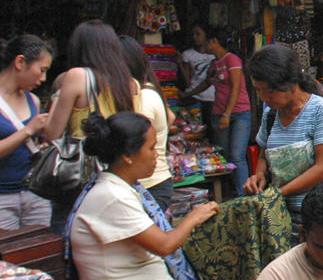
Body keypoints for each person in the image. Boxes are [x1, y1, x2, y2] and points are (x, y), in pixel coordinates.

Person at [70, 111, 246, 280]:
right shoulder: (111, 196)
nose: (157, 155)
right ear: (128, 155)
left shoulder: (121, 188)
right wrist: (193, 217)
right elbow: (164, 245)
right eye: (151, 148)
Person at [43, 20, 143, 235]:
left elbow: (52, 133)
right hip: (118, 171)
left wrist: (57, 98)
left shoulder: (77, 76)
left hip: (81, 175)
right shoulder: (130, 83)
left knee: (71, 232)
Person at [244, 45, 323, 219]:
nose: (263, 97)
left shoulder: (322, 111)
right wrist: (259, 175)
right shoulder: (270, 114)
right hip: (280, 216)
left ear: (290, 84)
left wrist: (279, 193)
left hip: (317, 217)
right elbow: (264, 155)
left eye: (268, 91)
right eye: (258, 90)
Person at [189, 27, 252, 193]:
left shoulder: (232, 60)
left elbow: (236, 87)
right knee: (226, 156)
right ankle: (235, 189)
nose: (204, 46)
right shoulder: (214, 64)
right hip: (220, 113)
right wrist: (188, 94)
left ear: (214, 41)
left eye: (207, 42)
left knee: (237, 155)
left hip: (238, 113)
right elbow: (207, 83)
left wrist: (227, 113)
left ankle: (243, 194)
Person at [119, 36, 176, 212]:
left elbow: (137, 138)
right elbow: (170, 117)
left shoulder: (144, 96)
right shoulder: (148, 89)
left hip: (149, 183)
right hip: (153, 181)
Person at [0, 36, 53, 229]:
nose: (43, 79)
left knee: (40, 251)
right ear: (20, 62)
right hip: (3, 197)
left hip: (35, 193)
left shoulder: (33, 100)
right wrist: (28, 130)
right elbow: (27, 133)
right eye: (41, 70)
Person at [178, 24, 216, 128]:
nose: (195, 37)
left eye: (198, 34)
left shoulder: (214, 54)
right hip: (194, 96)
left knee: (212, 130)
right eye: (193, 34)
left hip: (212, 97)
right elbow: (188, 81)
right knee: (194, 129)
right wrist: (180, 64)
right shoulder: (187, 54)